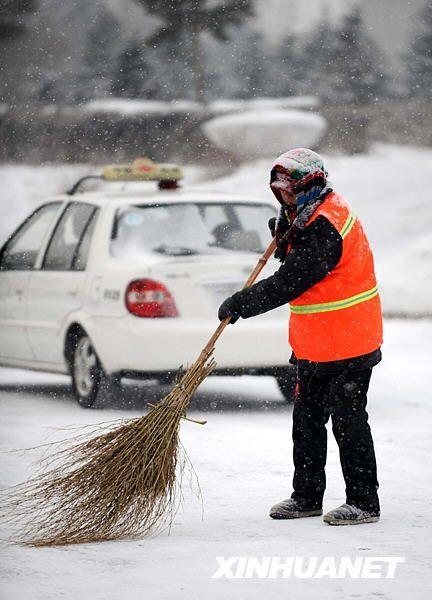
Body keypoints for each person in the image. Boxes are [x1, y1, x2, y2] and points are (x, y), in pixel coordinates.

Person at [218, 148, 383, 526]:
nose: (284, 196)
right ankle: (306, 497)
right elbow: (296, 266)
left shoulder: (326, 224)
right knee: (306, 420)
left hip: (351, 339)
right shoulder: (304, 217)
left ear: (310, 185)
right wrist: (287, 230)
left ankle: (364, 502)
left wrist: (241, 303)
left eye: (290, 190)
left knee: (348, 420)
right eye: (279, 191)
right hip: (315, 342)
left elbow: (292, 281)